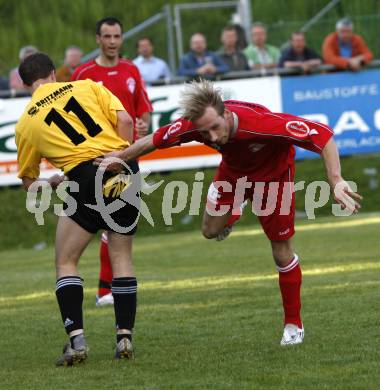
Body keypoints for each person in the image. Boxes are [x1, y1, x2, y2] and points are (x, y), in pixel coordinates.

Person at [95, 80, 362, 346]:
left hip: (274, 180)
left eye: (215, 128)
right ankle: (236, 207)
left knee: (281, 253)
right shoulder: (196, 126)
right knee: (209, 231)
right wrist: (120, 158)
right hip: (233, 176)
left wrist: (336, 179)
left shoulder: (261, 124)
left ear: (226, 113)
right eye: (204, 131)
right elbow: (153, 140)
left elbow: (322, 134)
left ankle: (293, 323)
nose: (211, 136)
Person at [15, 52, 140, 365]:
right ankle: (124, 337)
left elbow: (29, 183)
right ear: (55, 73)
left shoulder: (26, 122)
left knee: (66, 261)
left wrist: (54, 182)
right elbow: (125, 121)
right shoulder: (86, 86)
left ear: (25, 84)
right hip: (123, 167)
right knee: (122, 255)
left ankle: (77, 340)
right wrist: (118, 158)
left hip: (82, 177)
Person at [72, 17, 153, 307]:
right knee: (102, 222)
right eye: (106, 36)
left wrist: (143, 127)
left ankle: (106, 289)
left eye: (116, 36)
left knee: (119, 224)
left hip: (128, 156)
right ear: (97, 39)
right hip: (96, 159)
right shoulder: (83, 73)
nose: (112, 41)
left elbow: (144, 111)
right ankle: (103, 289)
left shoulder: (132, 70)